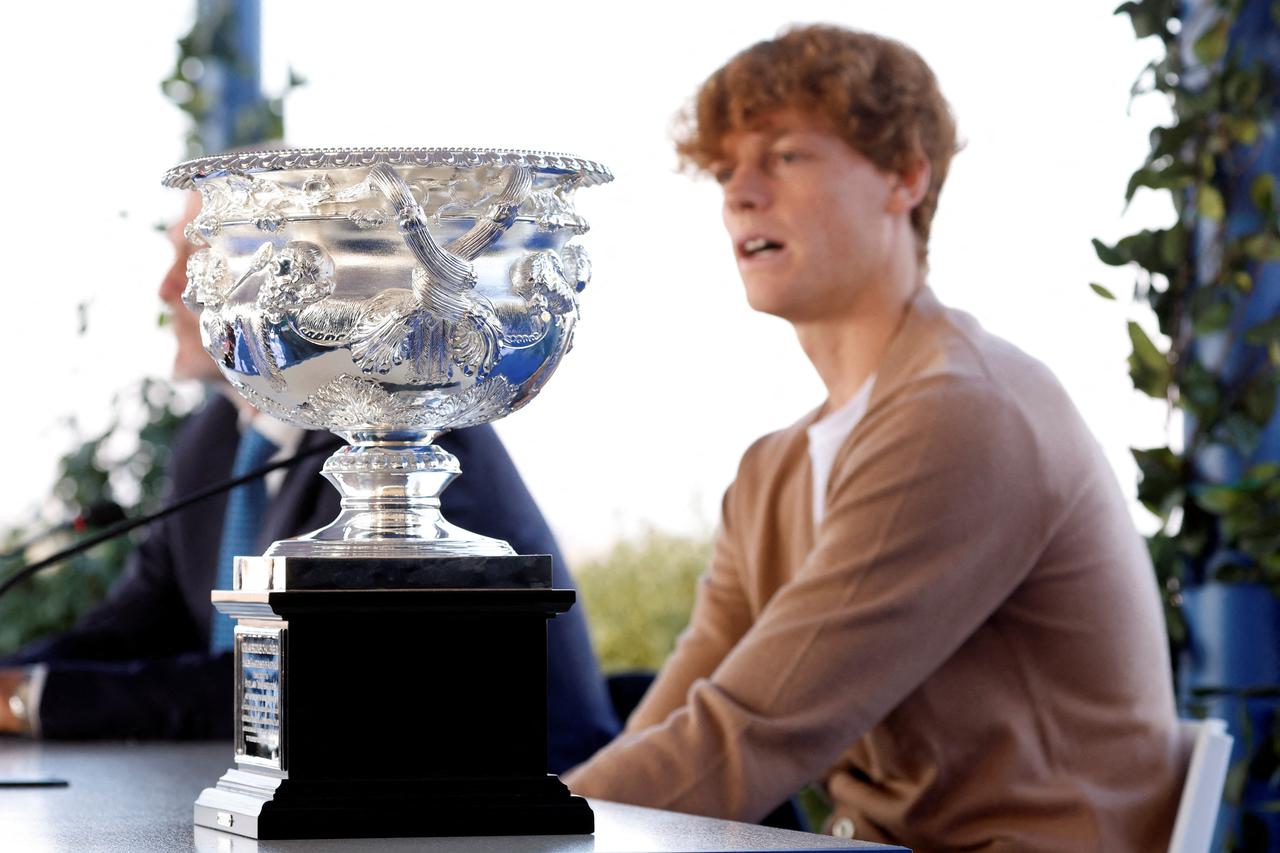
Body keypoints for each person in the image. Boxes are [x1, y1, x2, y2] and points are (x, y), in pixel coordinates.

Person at [564, 25, 1187, 850]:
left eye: (785, 156)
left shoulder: (966, 415)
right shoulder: (771, 470)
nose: (740, 194)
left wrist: (498, 839)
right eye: (724, 170)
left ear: (905, 176)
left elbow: (747, 735)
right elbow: (681, 714)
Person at [0, 191, 619, 773]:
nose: (170, 289)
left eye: (198, 260)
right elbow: (135, 626)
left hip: (513, 803)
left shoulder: (402, 430)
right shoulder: (212, 442)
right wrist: (14, 677)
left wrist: (33, 700)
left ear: (292, 278)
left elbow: (306, 680)